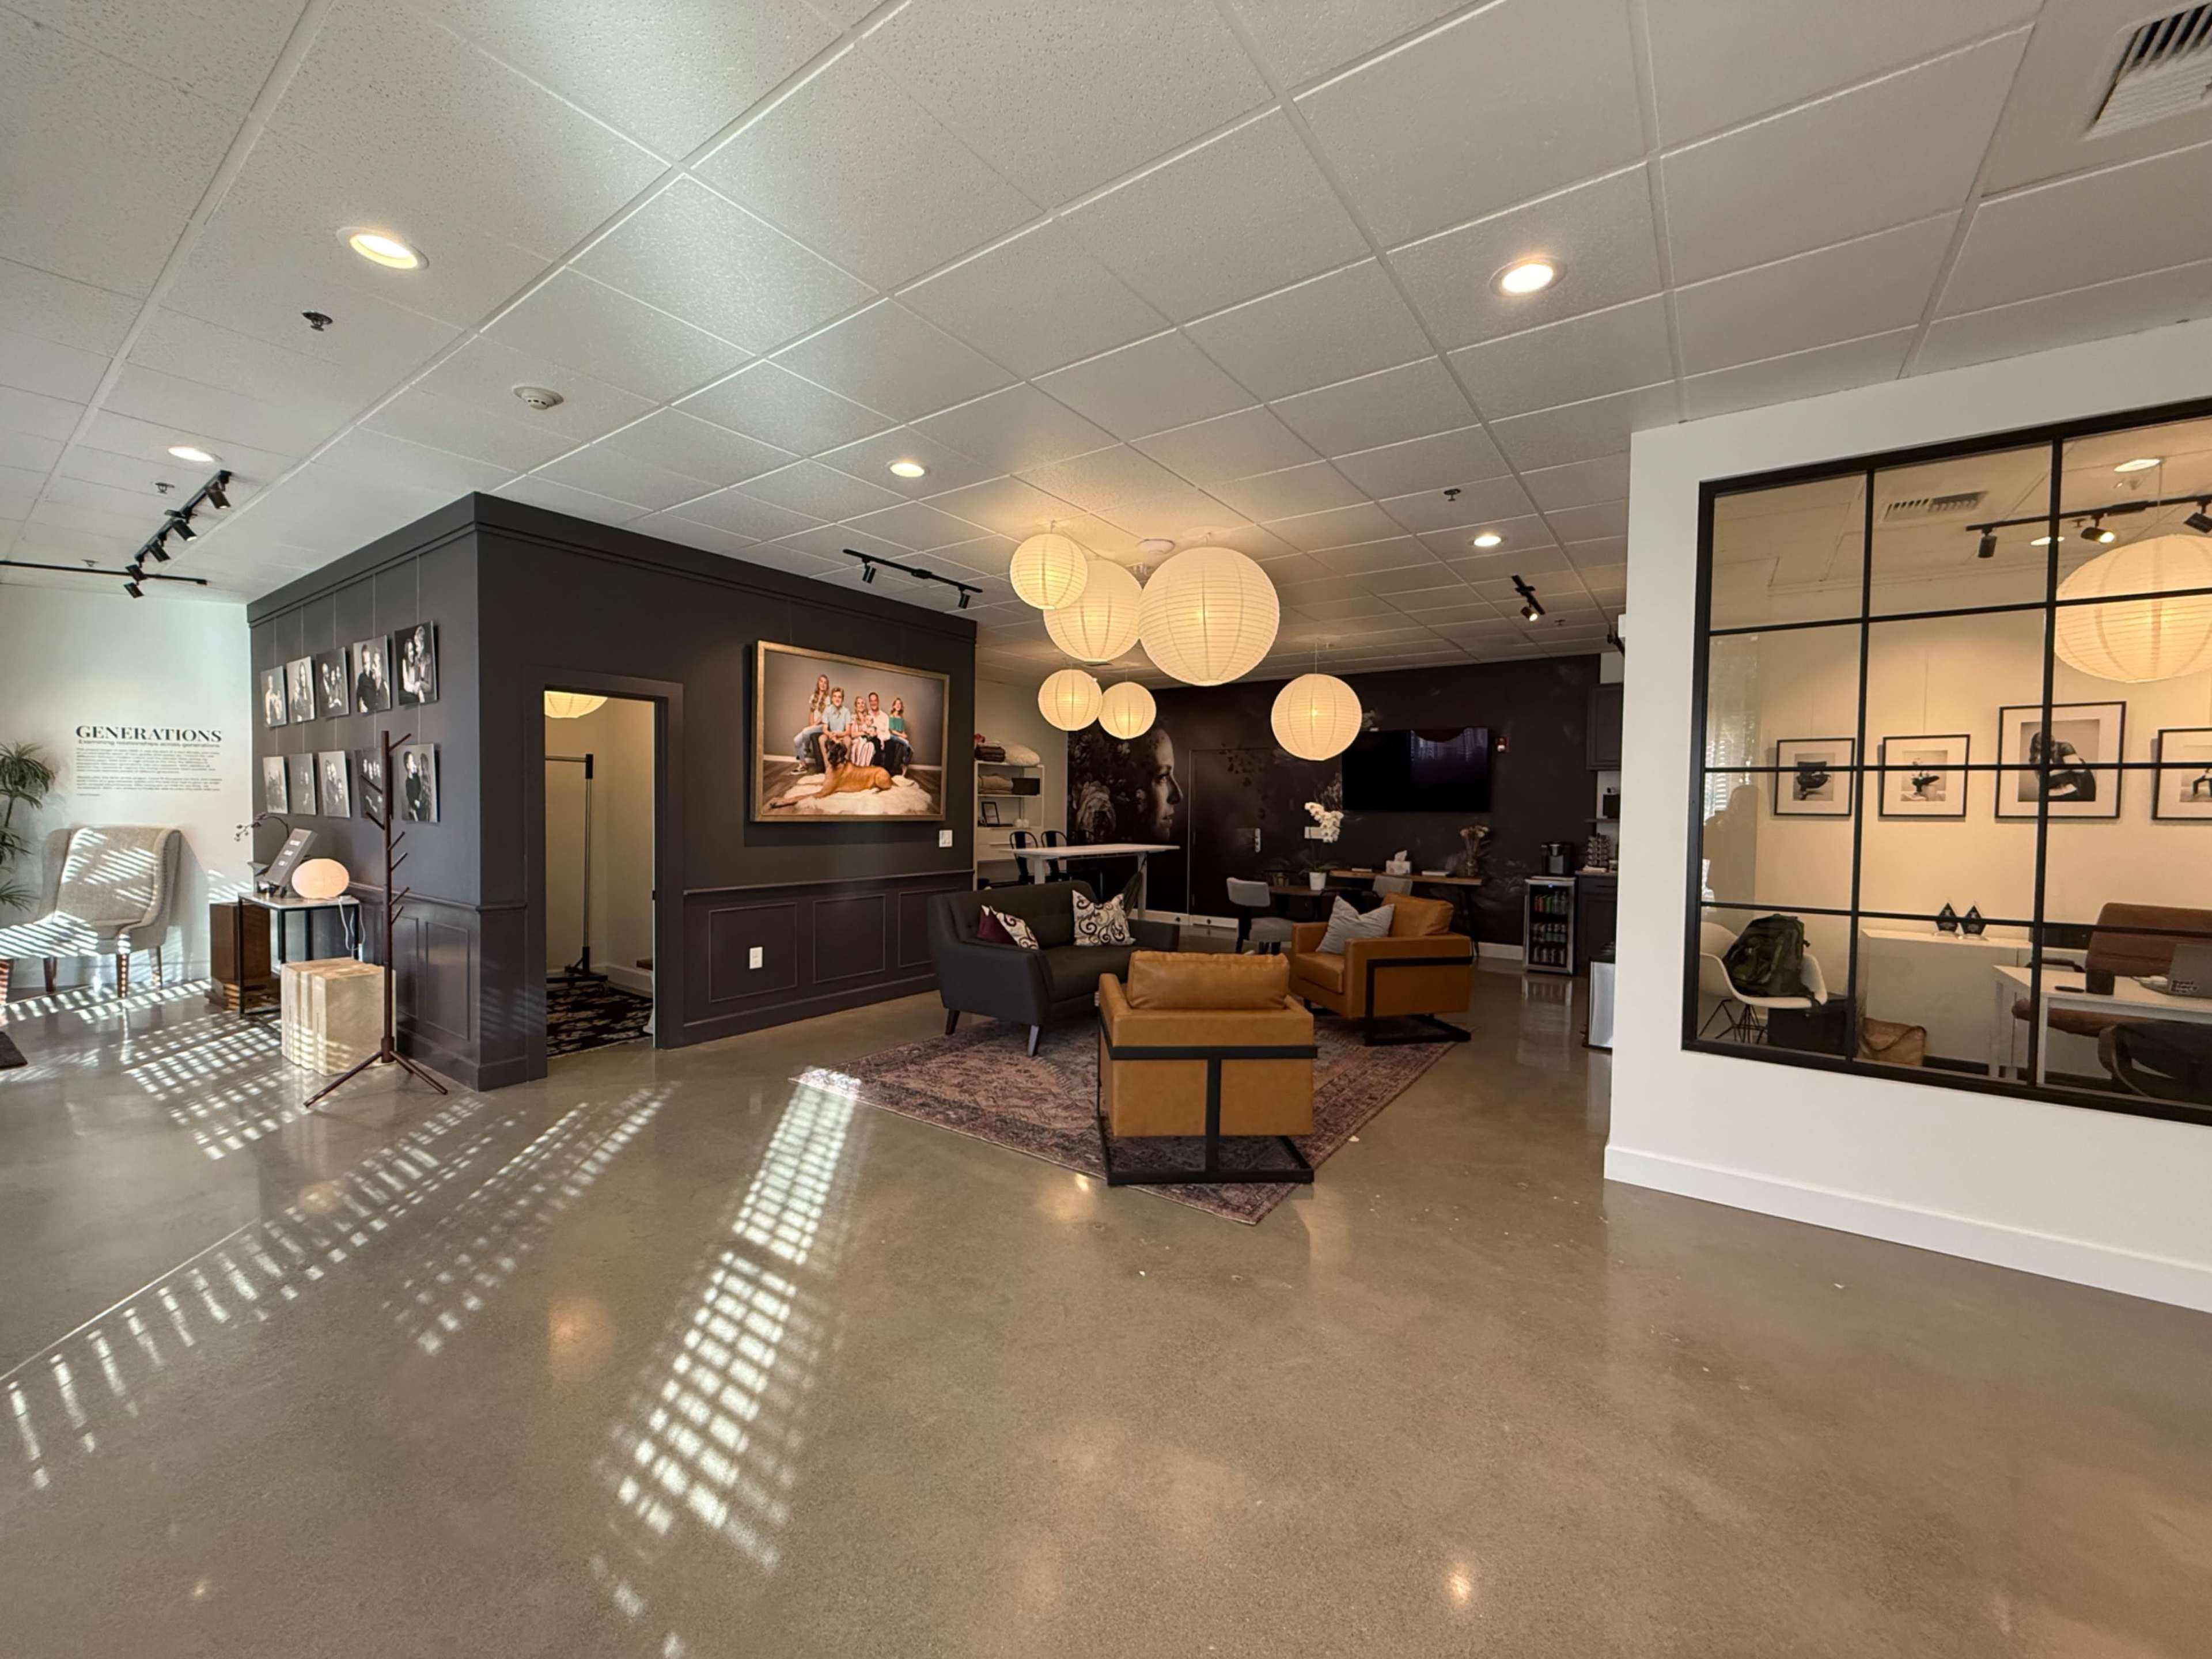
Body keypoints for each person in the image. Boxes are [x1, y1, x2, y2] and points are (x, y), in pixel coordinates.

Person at [791, 674, 831, 773]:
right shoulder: (813, 697)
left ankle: (806, 749)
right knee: (796, 740)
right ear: (818, 683)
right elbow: (812, 713)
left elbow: (824, 716)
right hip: (815, 725)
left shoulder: (828, 699)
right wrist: (811, 725)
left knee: (806, 731)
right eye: (821, 681)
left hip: (823, 726)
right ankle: (803, 765)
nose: (823, 684)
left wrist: (813, 726)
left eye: (825, 683)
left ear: (827, 686)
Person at [880, 695, 912, 777]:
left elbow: (902, 730)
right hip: (893, 736)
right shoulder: (891, 716)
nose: (898, 706)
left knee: (910, 749)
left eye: (900, 704)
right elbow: (892, 731)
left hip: (900, 737)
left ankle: (904, 764)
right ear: (894, 706)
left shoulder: (901, 717)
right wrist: (902, 736)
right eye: (896, 704)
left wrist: (904, 734)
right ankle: (903, 764)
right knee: (907, 743)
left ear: (901, 707)